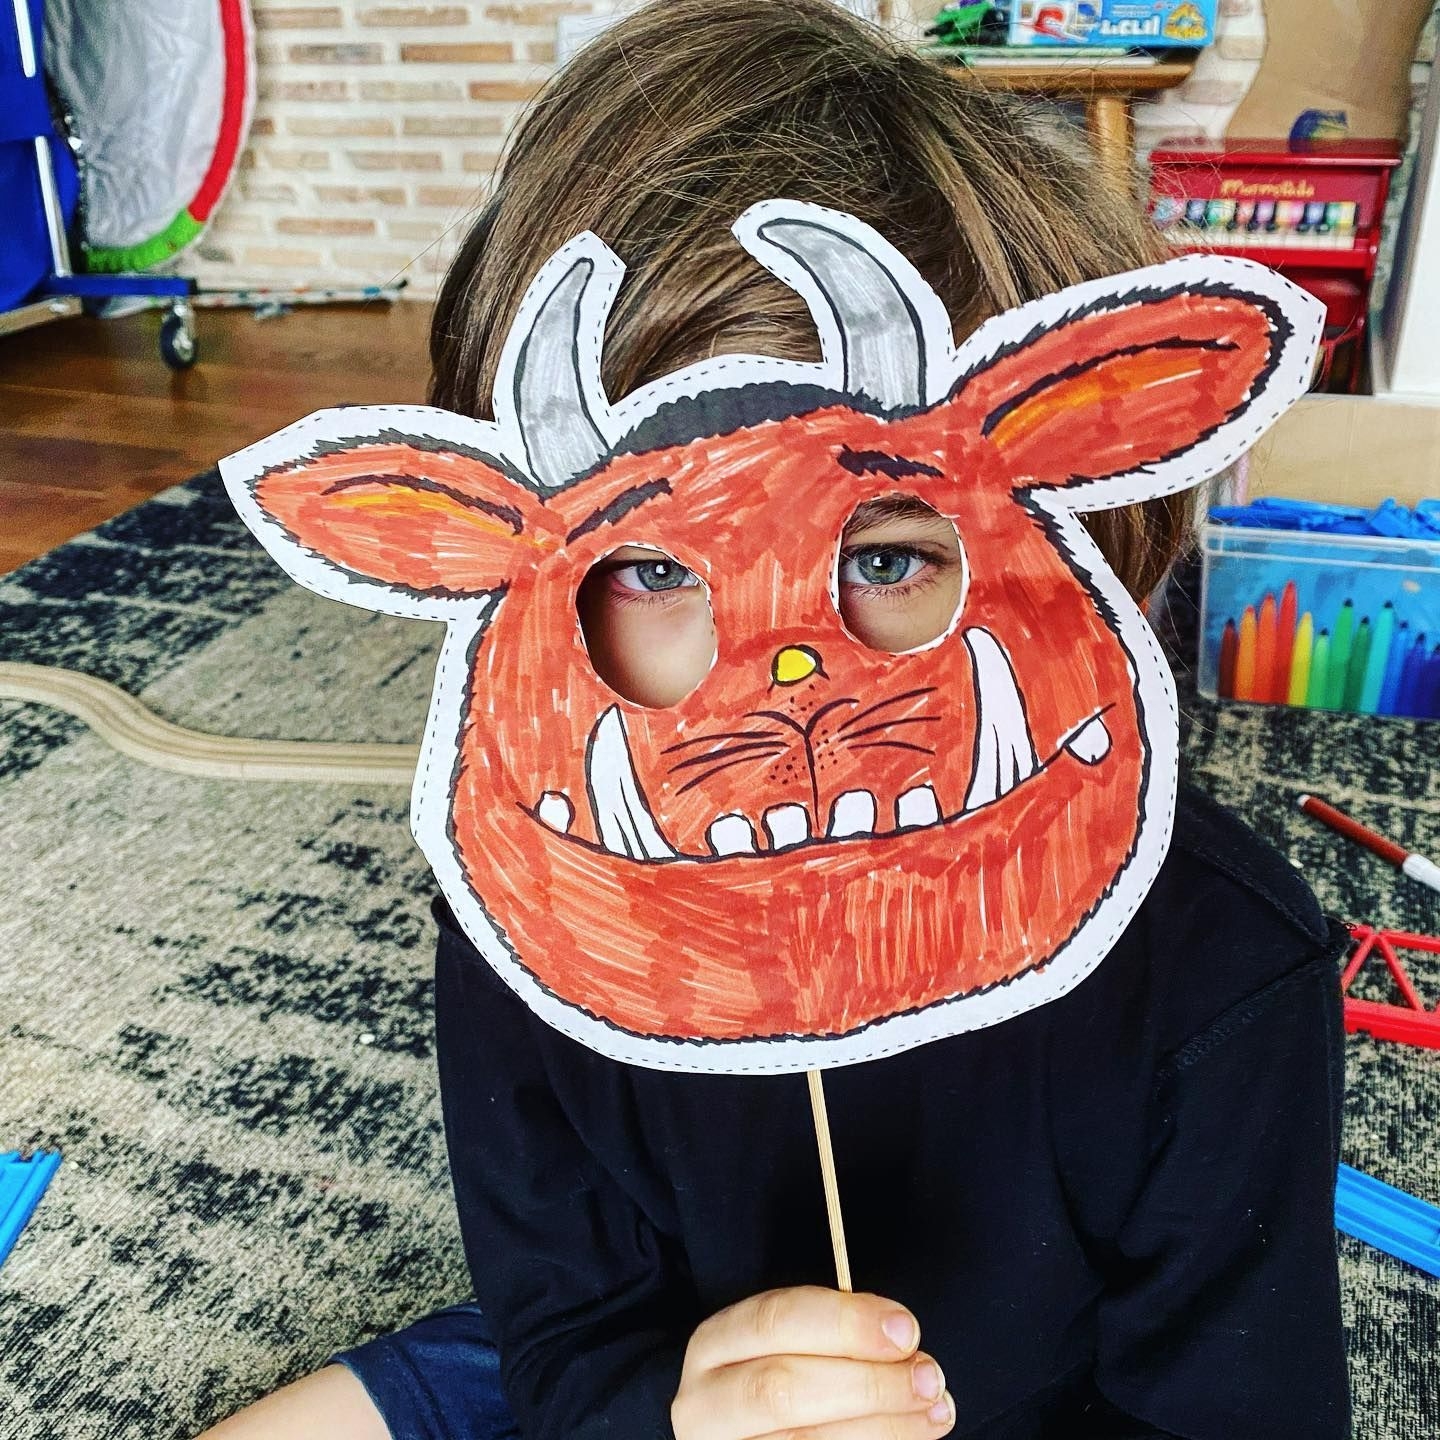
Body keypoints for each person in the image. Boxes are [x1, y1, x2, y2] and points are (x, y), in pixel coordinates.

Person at [197, 2, 1351, 1437]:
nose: (785, 683)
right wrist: (678, 1415)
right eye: (655, 572)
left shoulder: (1229, 965)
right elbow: (568, 1343)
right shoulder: (529, 918)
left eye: (891, 558)